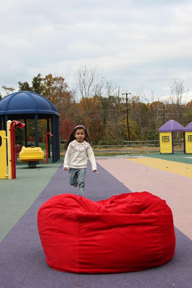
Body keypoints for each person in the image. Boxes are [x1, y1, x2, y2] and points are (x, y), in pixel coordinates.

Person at [63, 125, 97, 196]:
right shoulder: (72, 144)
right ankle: (75, 183)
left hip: (82, 167)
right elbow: (67, 155)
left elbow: (91, 156)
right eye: (78, 134)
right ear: (74, 135)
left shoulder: (87, 145)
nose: (80, 135)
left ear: (85, 135)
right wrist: (65, 165)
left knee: (81, 182)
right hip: (73, 166)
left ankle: (81, 198)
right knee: (71, 182)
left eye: (82, 133)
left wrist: (94, 167)